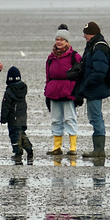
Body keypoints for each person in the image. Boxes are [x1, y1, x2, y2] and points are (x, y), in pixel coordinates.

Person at [74, 21, 110, 158]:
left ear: (93, 33)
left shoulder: (99, 47)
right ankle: (98, 149)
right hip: (93, 89)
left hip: (96, 89)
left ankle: (99, 150)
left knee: (96, 118)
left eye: (86, 34)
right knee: (94, 117)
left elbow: (100, 71)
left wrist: (86, 83)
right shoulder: (92, 45)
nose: (84, 36)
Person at [44, 24, 82, 156]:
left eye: (61, 39)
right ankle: (57, 147)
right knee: (55, 119)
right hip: (54, 93)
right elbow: (48, 77)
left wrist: (78, 93)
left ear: (67, 41)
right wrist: (47, 93)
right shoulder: (50, 58)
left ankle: (72, 148)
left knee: (70, 119)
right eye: (57, 39)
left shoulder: (74, 56)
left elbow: (80, 74)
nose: (59, 42)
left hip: (69, 92)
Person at [0, 66, 33, 163]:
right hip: (22, 116)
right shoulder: (23, 89)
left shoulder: (9, 91)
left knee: (14, 135)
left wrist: (3, 118)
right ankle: (29, 149)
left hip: (13, 118)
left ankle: (18, 153)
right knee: (21, 133)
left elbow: (6, 106)